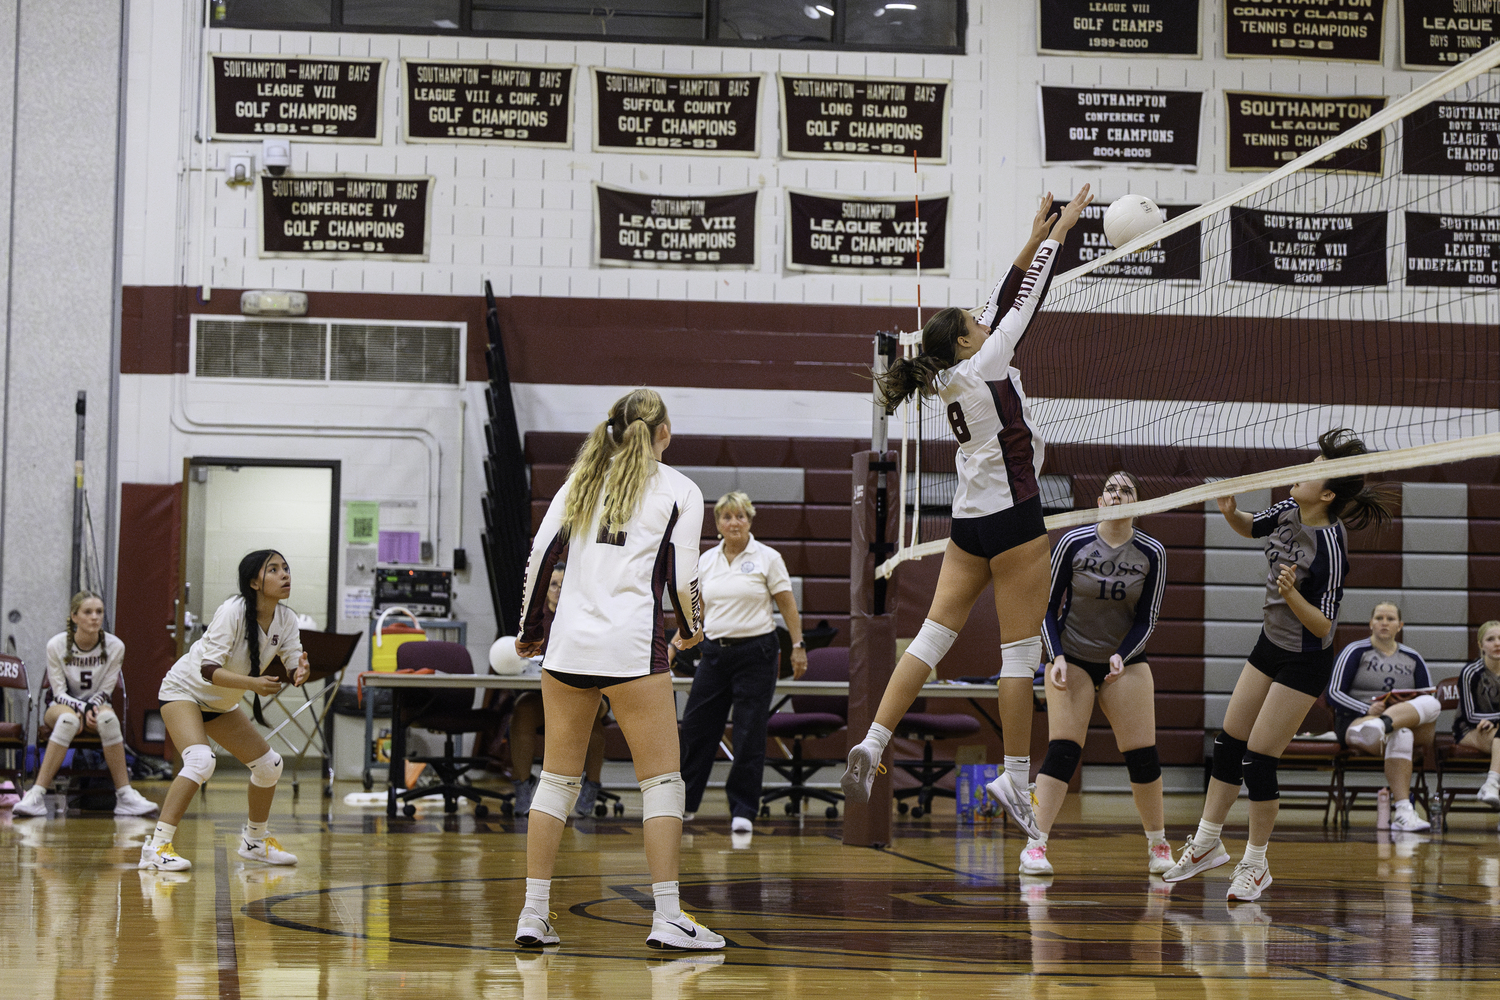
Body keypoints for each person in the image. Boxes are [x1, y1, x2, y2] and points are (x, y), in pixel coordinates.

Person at [842, 186, 1093, 838]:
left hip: (967, 521)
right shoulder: (991, 357)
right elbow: (1025, 300)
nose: (986, 322)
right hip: (1015, 518)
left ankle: (874, 738)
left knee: (930, 636)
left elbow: (995, 300)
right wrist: (1061, 234)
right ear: (964, 338)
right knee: (1017, 658)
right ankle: (1014, 772)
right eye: (976, 325)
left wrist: (1033, 233)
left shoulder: (945, 372)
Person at [513, 388, 723, 951]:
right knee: (661, 783)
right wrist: (693, 626)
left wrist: (531, 632)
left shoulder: (580, 480)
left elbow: (538, 557)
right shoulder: (680, 489)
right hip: (632, 650)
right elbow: (682, 579)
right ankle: (668, 916)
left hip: (568, 650)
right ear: (664, 434)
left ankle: (533, 914)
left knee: (556, 781)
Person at [1163, 428, 1394, 901]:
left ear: (1327, 494)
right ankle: (1206, 843)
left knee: (1259, 759)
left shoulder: (1329, 544)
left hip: (1304, 659)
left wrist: (1291, 594)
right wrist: (1231, 514)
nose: (1302, 469)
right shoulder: (1287, 509)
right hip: (1269, 642)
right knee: (1228, 744)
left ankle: (1255, 863)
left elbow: (1324, 628)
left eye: (1313, 469)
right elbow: (1252, 527)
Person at [1023, 471, 1168, 876]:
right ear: (1100, 501)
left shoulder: (1152, 552)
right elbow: (1046, 607)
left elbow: (1148, 618)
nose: (1116, 494)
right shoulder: (1072, 542)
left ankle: (1158, 844)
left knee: (1142, 754)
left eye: (1126, 489)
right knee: (1064, 749)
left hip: (1124, 659)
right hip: (1072, 656)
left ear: (1137, 504)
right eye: (1110, 489)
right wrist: (1056, 657)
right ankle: (1036, 844)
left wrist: (1123, 654)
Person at [139, 550, 309, 872]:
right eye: (273, 569)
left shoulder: (286, 619)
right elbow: (208, 670)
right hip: (184, 692)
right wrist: (253, 683)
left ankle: (255, 842)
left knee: (269, 766)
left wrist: (300, 671)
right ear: (254, 582)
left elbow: (292, 662)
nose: (284, 574)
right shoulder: (233, 611)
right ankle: (157, 847)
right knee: (201, 760)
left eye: (285, 568)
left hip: (219, 704)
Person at [679, 491, 807, 833]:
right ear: (718, 524)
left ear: (750, 521)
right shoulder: (706, 560)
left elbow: (787, 605)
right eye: (726, 517)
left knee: (750, 732)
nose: (733, 523)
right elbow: (698, 610)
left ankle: (744, 810)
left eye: (740, 517)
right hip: (714, 654)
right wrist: (686, 635)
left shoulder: (768, 558)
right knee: (695, 728)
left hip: (757, 654)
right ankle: (686, 804)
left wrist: (798, 645)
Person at [11, 591, 158, 818]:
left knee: (109, 720)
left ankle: (125, 796)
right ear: (74, 616)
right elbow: (58, 693)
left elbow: (106, 690)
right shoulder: (56, 645)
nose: (94, 617)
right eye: (87, 612)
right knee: (68, 720)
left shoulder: (115, 646)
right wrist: (83, 709)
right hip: (61, 705)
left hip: (98, 705)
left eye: (99, 612)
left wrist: (92, 708)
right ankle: (36, 796)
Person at [508, 562, 611, 818]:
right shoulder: (533, 618)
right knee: (522, 710)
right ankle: (522, 785)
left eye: (564, 585)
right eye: (553, 584)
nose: (558, 590)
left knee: (592, 712)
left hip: (584, 690)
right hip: (542, 693)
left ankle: (592, 784)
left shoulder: (587, 615)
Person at [1326, 602, 1438, 832]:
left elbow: (1427, 697)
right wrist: (1365, 708)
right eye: (1379, 618)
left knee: (1431, 704)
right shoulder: (1355, 651)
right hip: (1358, 722)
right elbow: (1333, 693)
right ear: (1370, 623)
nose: (1384, 623)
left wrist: (1394, 712)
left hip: (1400, 721)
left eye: (1390, 618)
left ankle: (1384, 724)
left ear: (1400, 625)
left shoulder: (1412, 657)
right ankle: (1405, 811)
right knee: (1402, 735)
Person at [1455, 620, 1500, 810]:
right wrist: (1489, 721)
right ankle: (1491, 783)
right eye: (1491, 639)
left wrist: (1494, 720)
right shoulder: (1470, 672)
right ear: (1481, 645)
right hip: (1470, 730)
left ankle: (1491, 785)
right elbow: (1469, 714)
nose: (1497, 643)